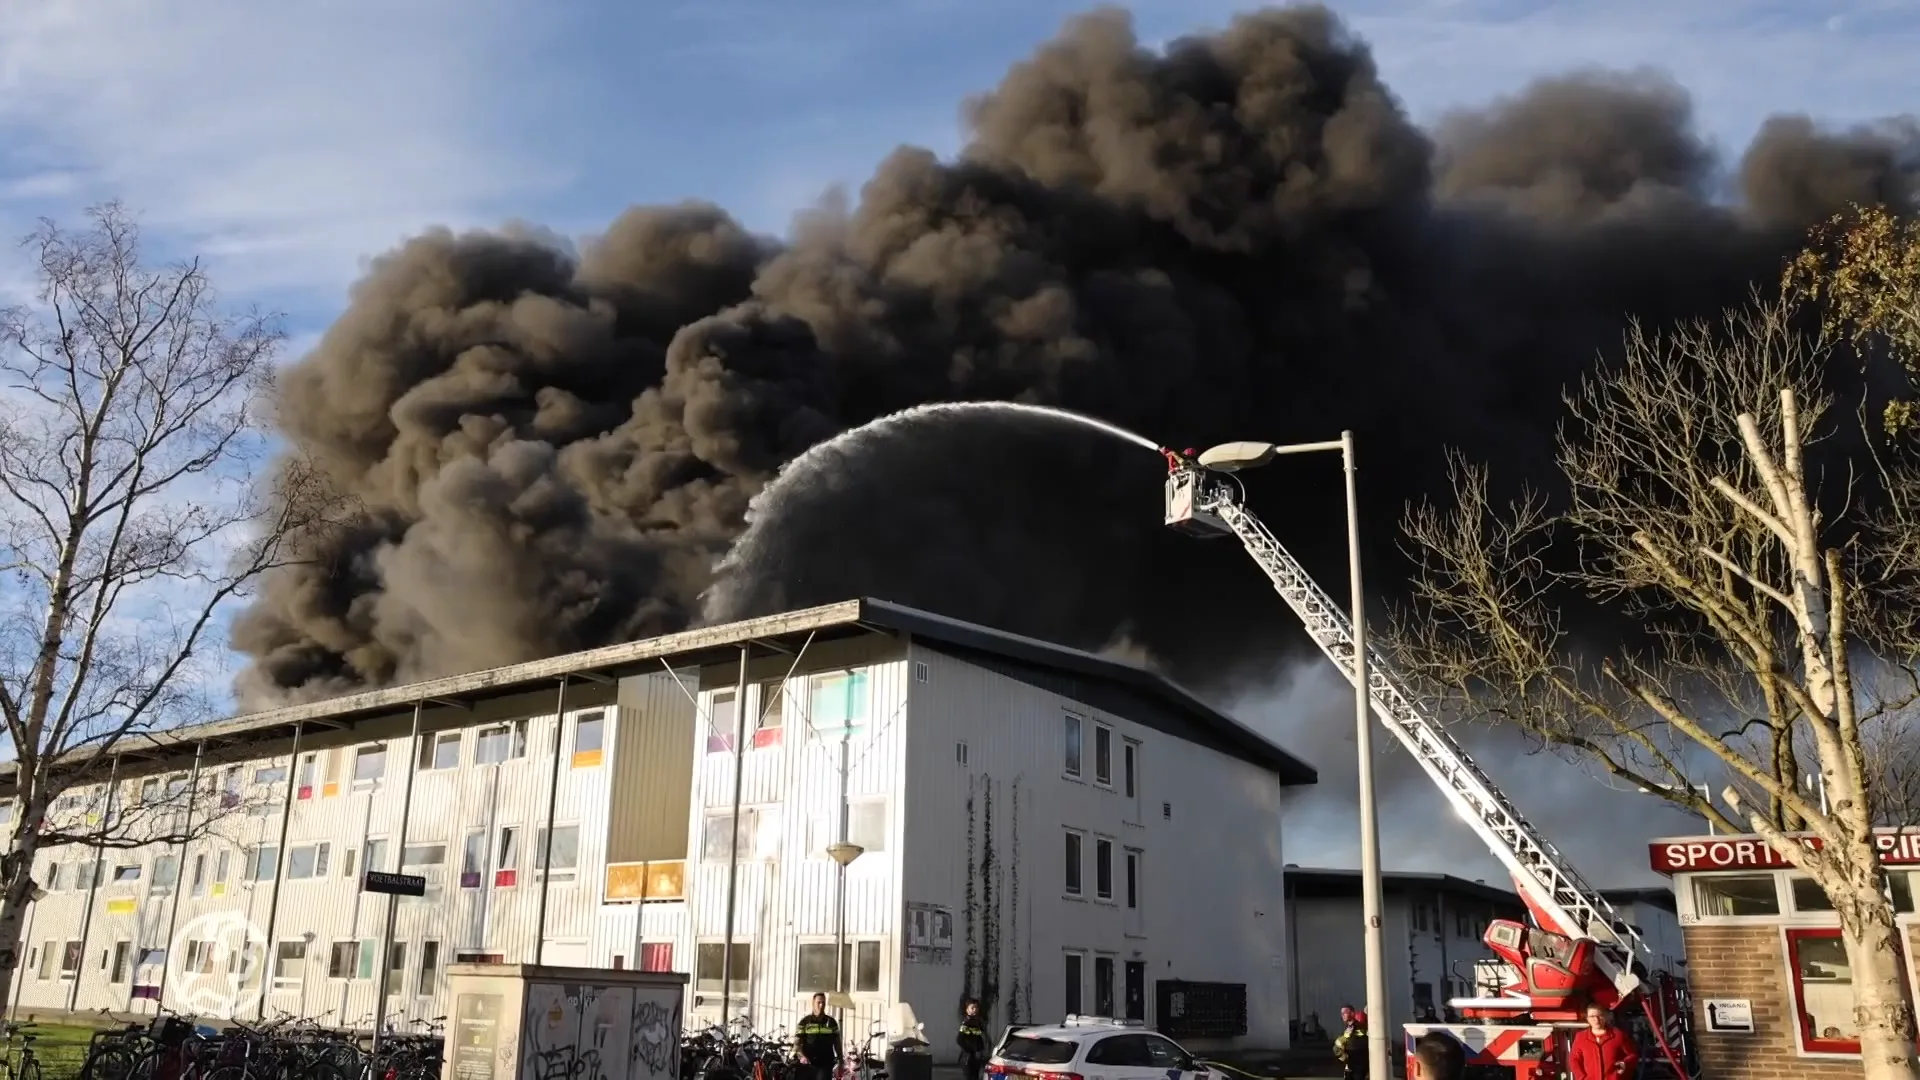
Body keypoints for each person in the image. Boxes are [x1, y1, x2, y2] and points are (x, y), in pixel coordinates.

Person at [1568, 1003, 1639, 1080]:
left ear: (1605, 1016)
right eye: (1592, 1016)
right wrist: (1581, 1077)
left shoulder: (1618, 1035)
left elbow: (1632, 1055)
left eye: (1600, 1015)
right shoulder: (1581, 1037)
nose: (1596, 1020)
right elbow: (1574, 1060)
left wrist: (1625, 1063)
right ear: (1587, 1018)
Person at [795, 992, 843, 1080]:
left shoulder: (831, 1022)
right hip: (808, 1065)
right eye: (819, 1002)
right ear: (813, 1003)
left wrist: (841, 1062)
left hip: (825, 1064)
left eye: (823, 1003)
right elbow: (797, 1044)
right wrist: (802, 1056)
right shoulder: (805, 1022)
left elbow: (837, 1043)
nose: (821, 1005)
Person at [1333, 1005, 1367, 1080]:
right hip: (1351, 1064)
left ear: (1352, 1013)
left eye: (1344, 1013)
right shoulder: (1349, 1028)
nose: (1342, 1015)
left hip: (1358, 1063)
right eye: (1341, 1013)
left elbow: (1356, 1043)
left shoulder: (1357, 1027)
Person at [957, 998, 988, 1080]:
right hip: (968, 1058)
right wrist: (970, 1050)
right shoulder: (966, 1022)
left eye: (976, 1007)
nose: (975, 1010)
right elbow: (960, 1039)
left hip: (976, 1057)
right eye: (972, 1008)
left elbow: (979, 1037)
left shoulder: (978, 1021)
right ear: (967, 1010)